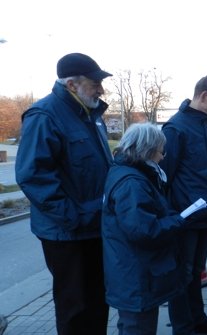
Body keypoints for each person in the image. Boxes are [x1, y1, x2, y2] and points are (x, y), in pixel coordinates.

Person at [15, 53, 112, 334]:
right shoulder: (44, 115)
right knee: (75, 307)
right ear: (72, 84)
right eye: (95, 83)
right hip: (68, 233)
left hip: (94, 227)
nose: (101, 89)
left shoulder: (90, 115)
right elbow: (32, 176)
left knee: (97, 300)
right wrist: (75, 217)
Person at [102, 123, 189, 335]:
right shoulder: (132, 182)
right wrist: (177, 221)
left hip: (132, 271)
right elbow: (144, 230)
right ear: (147, 151)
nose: (162, 157)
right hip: (136, 275)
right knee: (138, 326)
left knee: (133, 324)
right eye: (161, 151)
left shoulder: (127, 172)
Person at [159, 74, 207, 335]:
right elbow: (164, 176)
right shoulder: (176, 128)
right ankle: (183, 327)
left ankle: (197, 319)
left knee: (196, 272)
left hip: (204, 217)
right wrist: (173, 216)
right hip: (185, 219)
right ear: (204, 96)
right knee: (182, 275)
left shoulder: (202, 125)